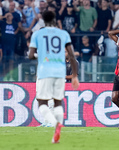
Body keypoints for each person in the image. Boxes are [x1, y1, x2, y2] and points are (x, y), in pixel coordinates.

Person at [28, 10, 79, 143]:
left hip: (45, 71)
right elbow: (72, 56)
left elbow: (30, 55)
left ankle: (53, 123)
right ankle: (57, 133)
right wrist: (74, 75)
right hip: (60, 72)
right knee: (57, 102)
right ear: (55, 19)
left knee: (41, 102)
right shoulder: (63, 34)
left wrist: (40, 56)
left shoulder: (37, 34)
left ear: (43, 20)